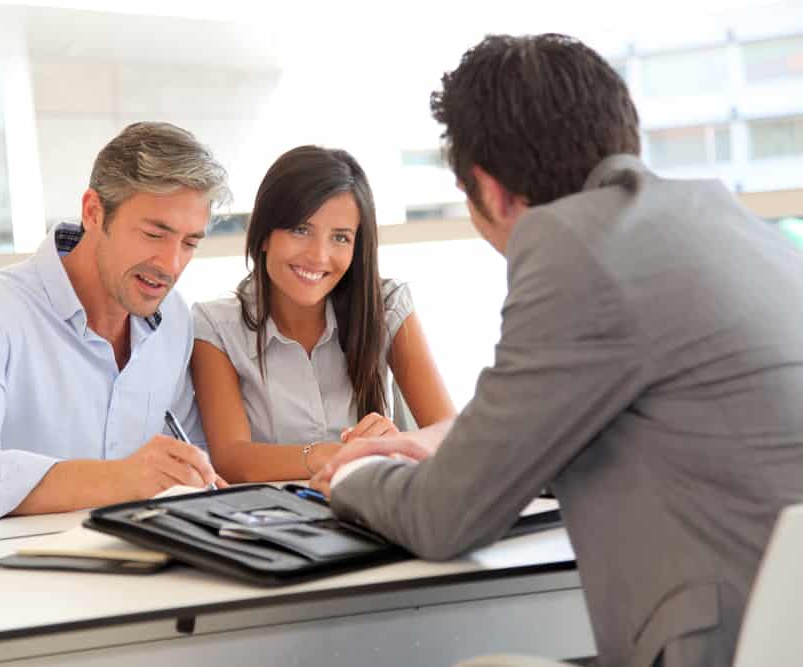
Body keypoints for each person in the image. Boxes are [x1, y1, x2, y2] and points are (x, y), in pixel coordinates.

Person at [311, 34, 803, 667]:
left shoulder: (574, 246)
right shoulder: (727, 223)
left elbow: (443, 519)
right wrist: (443, 444)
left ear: (490, 192)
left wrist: (352, 474)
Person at [0, 121, 229, 521]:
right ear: (94, 212)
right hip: (9, 571)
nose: (171, 264)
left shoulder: (174, 320)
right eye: (154, 234)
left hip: (140, 564)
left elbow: (187, 464)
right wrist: (122, 480)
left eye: (189, 243)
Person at [191, 145, 455, 482]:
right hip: (272, 519)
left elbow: (448, 431)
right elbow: (231, 458)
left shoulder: (386, 305)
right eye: (301, 230)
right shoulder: (215, 327)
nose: (318, 256)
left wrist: (396, 443)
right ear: (265, 234)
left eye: (340, 238)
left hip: (369, 507)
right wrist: (327, 455)